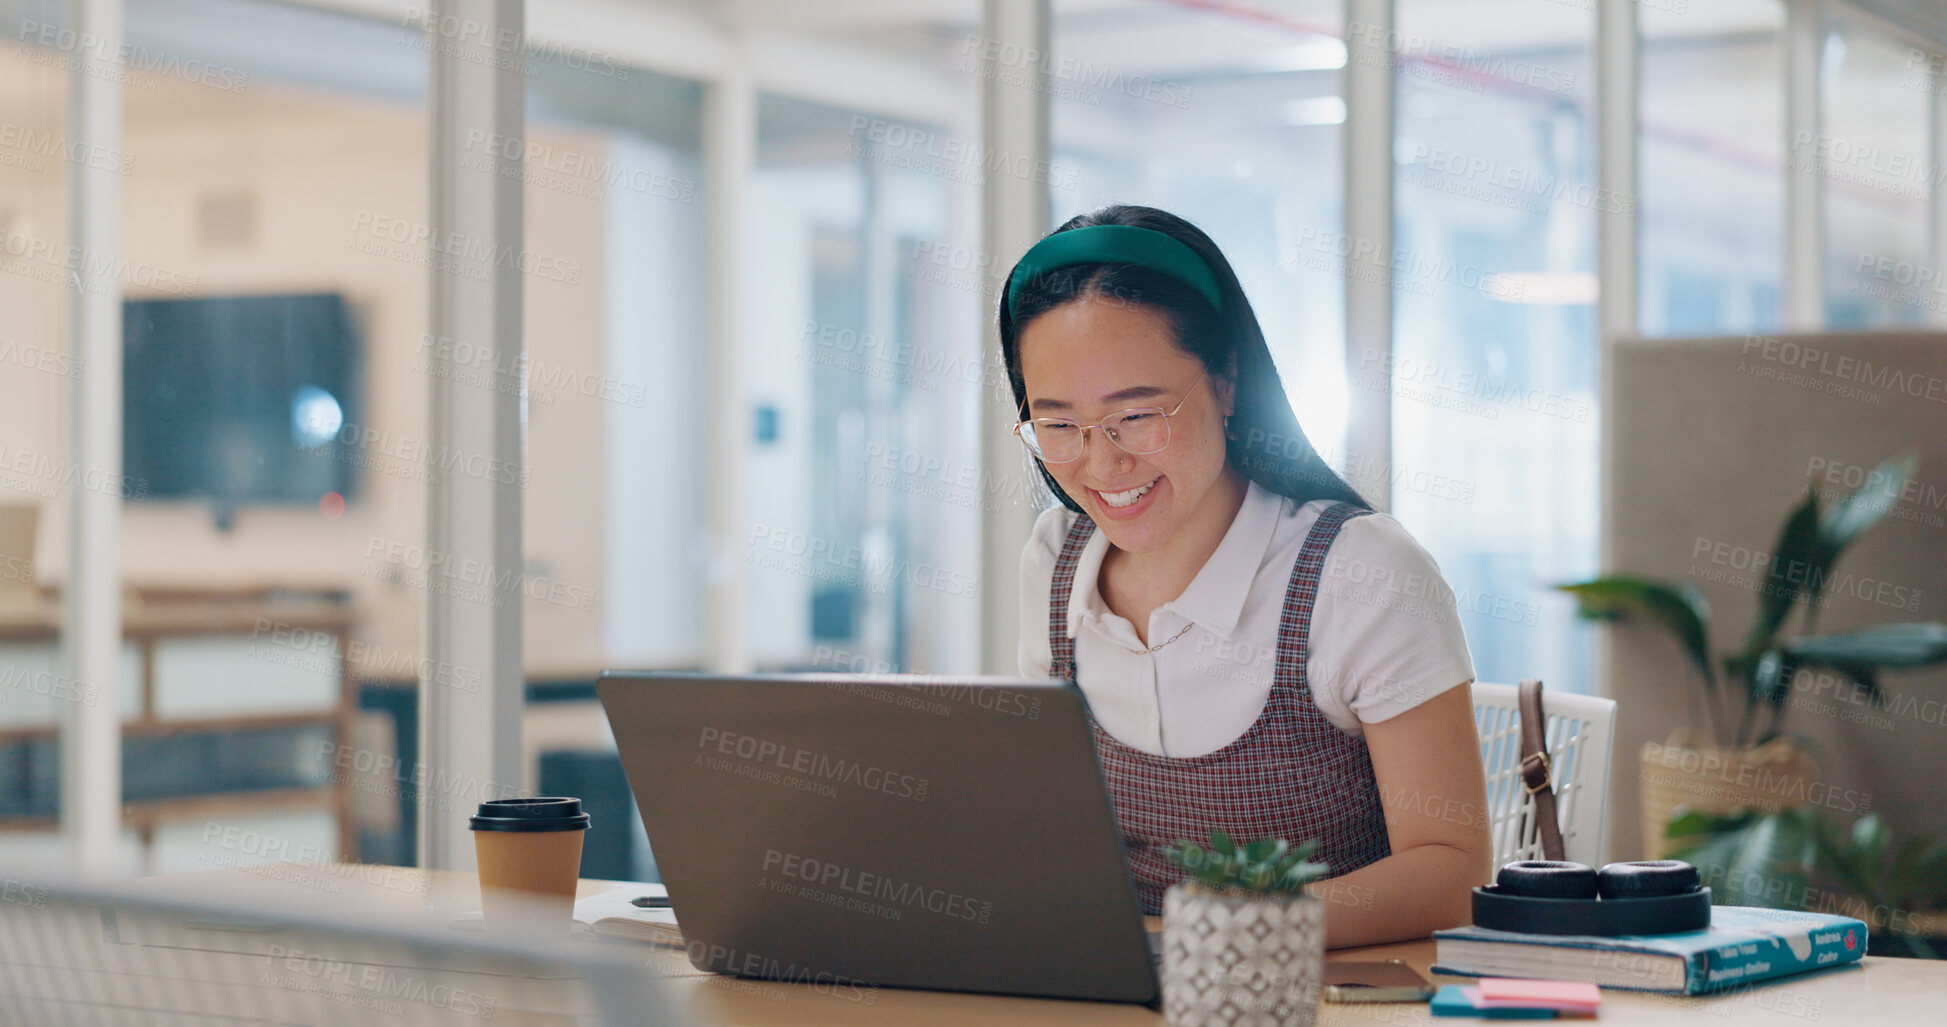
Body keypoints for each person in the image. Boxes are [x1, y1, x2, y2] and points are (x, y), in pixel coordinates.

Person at [1006, 204, 1490, 947]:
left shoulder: (1359, 573)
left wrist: (1219, 934)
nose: (1101, 465)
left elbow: (1452, 871)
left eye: (1135, 416)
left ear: (1226, 382)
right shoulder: (1055, 558)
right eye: (1059, 426)